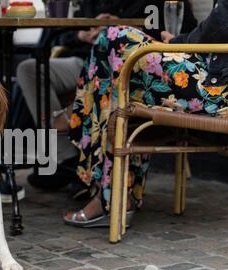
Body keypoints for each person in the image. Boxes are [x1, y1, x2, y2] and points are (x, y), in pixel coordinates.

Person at [64, 0, 228, 226]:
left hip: (216, 87)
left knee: (114, 39)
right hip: (212, 72)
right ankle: (119, 194)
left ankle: (109, 194)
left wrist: (177, 42)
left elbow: (221, 22)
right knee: (120, 59)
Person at [17, 0, 197, 192]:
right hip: (84, 58)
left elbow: (185, 35)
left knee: (114, 77)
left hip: (129, 65)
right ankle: (67, 157)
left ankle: (86, 163)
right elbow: (64, 32)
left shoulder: (165, 4)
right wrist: (82, 35)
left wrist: (125, 31)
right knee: (29, 69)